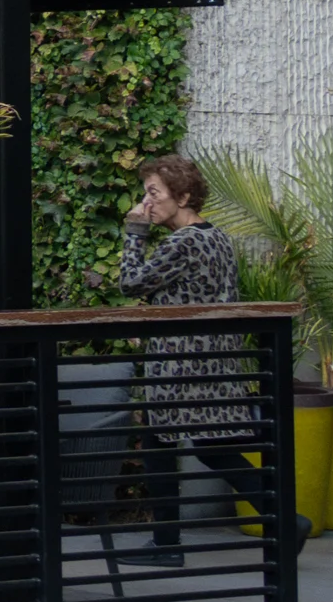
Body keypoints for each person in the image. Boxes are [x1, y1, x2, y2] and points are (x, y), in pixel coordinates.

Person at [117, 152, 308, 557]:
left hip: (177, 363)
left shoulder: (182, 242)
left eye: (154, 193)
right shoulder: (217, 237)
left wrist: (134, 231)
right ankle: (287, 521)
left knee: (159, 446)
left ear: (182, 196)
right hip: (218, 361)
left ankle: (166, 545)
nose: (146, 203)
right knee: (212, 447)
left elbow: (131, 283)